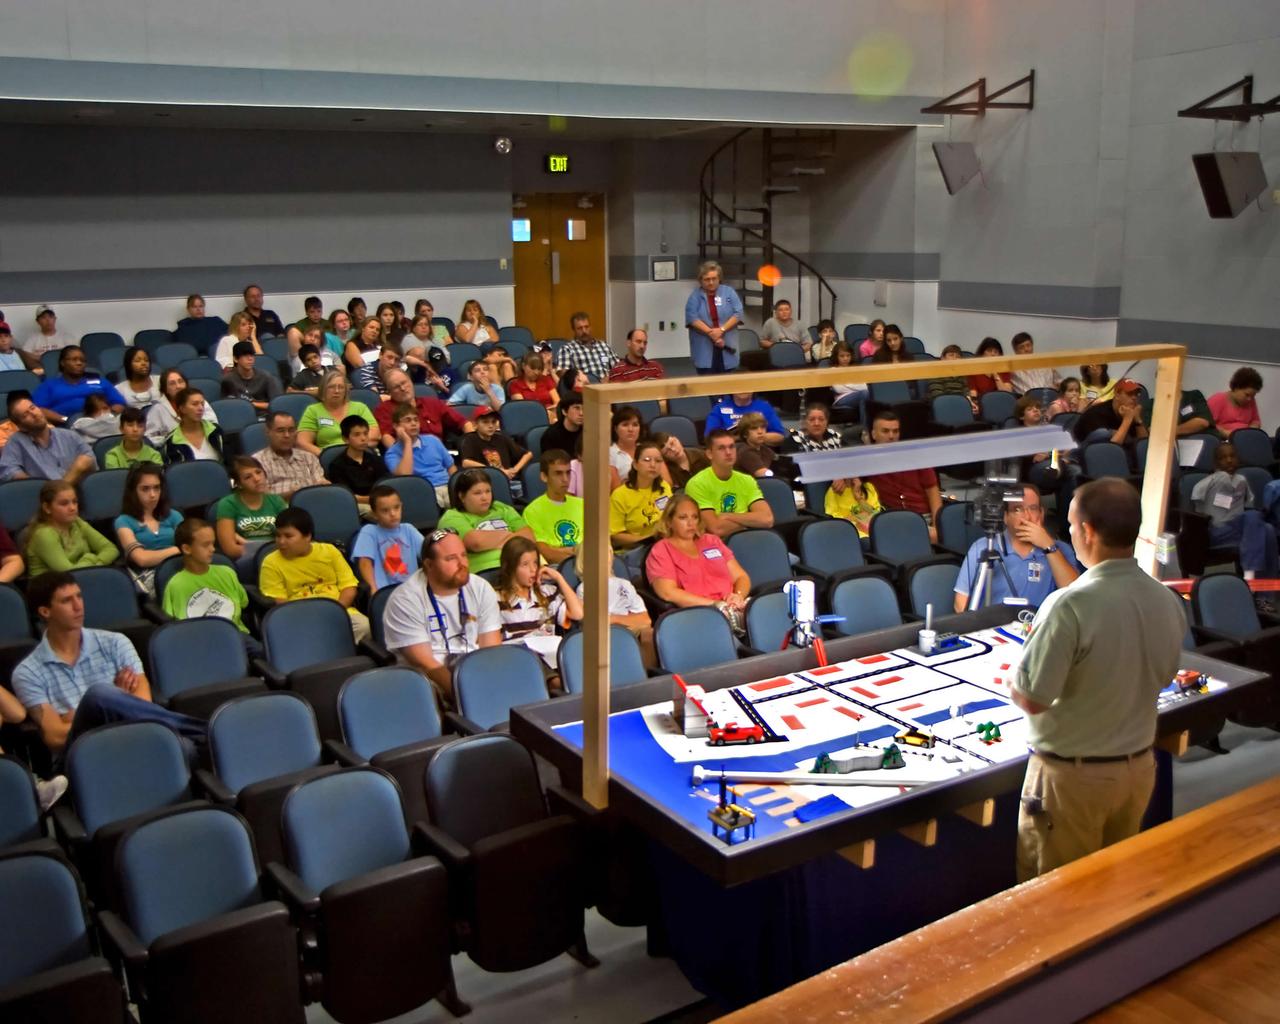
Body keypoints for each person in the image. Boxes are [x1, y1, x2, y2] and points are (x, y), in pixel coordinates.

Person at [1011, 479, 1185, 881]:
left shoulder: (1069, 604)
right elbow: (1162, 677)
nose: (1070, 533)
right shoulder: (1166, 599)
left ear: (1087, 531)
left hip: (1073, 782)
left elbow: (1031, 697)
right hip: (1138, 770)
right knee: (1114, 886)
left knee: (1057, 899)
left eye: (1071, 526)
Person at [12, 572, 207, 769]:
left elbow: (143, 706)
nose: (78, 606)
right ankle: (207, 731)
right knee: (99, 693)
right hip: (79, 757)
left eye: (79, 596)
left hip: (131, 737)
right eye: (66, 601)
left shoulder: (115, 643)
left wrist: (71, 715)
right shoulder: (27, 672)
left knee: (186, 748)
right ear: (45, 611)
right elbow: (55, 738)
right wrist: (111, 700)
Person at [381, 527, 503, 703]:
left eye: (463, 555)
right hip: (428, 680)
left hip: (474, 671)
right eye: (451, 558)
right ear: (429, 565)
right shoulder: (405, 599)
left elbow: (490, 651)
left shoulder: (481, 588)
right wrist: (466, 696)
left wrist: (486, 685)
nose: (462, 564)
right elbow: (425, 664)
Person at [953, 484, 1080, 612]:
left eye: (1033, 508)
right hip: (993, 627)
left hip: (1038, 627)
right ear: (1005, 516)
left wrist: (1048, 547)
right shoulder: (983, 547)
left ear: (1041, 514)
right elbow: (960, 604)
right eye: (1018, 509)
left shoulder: (1061, 549)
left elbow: (1073, 595)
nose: (1027, 516)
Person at [259, 507, 371, 642]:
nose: (281, 541)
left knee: (365, 626)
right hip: (298, 618)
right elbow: (281, 603)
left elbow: (349, 588)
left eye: (288, 536)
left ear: (307, 536)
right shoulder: (270, 562)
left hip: (337, 611)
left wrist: (335, 612)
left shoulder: (329, 552)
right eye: (278, 535)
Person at [645, 493, 751, 633]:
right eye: (683, 518)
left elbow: (741, 577)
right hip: (694, 615)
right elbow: (667, 592)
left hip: (731, 607)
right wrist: (714, 605)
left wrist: (738, 595)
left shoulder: (711, 541)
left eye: (694, 517)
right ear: (669, 522)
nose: (690, 523)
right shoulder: (661, 550)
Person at [163, 518, 259, 655]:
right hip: (199, 641)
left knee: (265, 655)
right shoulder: (175, 585)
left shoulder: (227, 572)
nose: (213, 549)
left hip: (236, 635)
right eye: (205, 545)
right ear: (186, 548)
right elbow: (175, 625)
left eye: (213, 544)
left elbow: (243, 602)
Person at [494, 535, 583, 677]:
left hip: (552, 659)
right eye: (525, 565)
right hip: (519, 663)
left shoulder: (547, 593)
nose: (533, 570)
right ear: (510, 567)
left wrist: (559, 578)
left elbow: (578, 613)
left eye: (535, 563)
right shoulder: (496, 600)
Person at [1191, 443, 1278, 579]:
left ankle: (1265, 595)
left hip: (1238, 528)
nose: (1229, 460)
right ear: (1216, 462)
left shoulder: (1241, 480)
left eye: (1232, 456)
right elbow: (1196, 509)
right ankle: (1249, 575)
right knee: (1258, 521)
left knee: (1268, 530)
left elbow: (1249, 504)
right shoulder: (1204, 484)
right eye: (1223, 458)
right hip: (1216, 530)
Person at [439, 468, 533, 575]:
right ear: (462, 496)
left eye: (488, 491)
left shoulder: (502, 508)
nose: (485, 497)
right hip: (487, 570)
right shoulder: (452, 517)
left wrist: (492, 540)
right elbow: (476, 543)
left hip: (521, 565)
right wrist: (512, 536)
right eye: (477, 493)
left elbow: (529, 537)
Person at [685, 430, 775, 538]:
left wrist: (728, 516)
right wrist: (750, 522)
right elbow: (716, 529)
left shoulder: (747, 480)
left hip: (750, 539)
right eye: (721, 448)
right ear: (709, 454)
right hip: (717, 546)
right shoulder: (697, 484)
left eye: (732, 447)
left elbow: (767, 519)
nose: (728, 452)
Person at [862, 410, 943, 527]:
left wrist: (937, 527)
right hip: (892, 520)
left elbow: (933, 492)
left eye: (895, 431)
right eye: (885, 431)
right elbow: (844, 467)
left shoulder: (916, 455)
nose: (891, 436)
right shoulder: (866, 460)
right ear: (874, 434)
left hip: (923, 517)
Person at [25, 480, 120, 577]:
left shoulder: (77, 522)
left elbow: (111, 549)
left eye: (75, 502)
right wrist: (89, 558)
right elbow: (70, 574)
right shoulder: (44, 534)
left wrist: (96, 565)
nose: (72, 508)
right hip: (52, 589)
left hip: (82, 581)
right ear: (47, 508)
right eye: (64, 504)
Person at [115, 464, 183, 594]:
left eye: (156, 488)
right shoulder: (124, 521)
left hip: (179, 570)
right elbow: (141, 559)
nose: (152, 495)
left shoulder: (174, 515)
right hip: (149, 579)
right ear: (133, 491)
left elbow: (191, 546)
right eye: (145, 489)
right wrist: (178, 549)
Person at [215, 456, 287, 576]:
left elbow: (290, 536)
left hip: (280, 557)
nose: (257, 479)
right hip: (247, 563)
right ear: (239, 483)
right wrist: (264, 552)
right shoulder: (228, 504)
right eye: (248, 477)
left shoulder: (276, 501)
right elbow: (230, 549)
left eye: (258, 472)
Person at [0, 395, 96, 483]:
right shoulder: (16, 442)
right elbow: (8, 471)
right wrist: (32, 486)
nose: (33, 414)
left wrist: (64, 485)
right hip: (41, 495)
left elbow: (90, 458)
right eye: (26, 415)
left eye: (32, 408)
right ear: (21, 426)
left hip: (76, 491)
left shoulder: (69, 435)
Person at [352, 484, 425, 592]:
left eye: (396, 507)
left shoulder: (409, 529)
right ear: (374, 514)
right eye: (385, 510)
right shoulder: (369, 531)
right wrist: (373, 588)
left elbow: (428, 553)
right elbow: (364, 562)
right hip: (384, 591)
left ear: (401, 506)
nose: (393, 514)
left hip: (412, 590)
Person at [374, 369, 471, 449]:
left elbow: (464, 423)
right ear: (389, 391)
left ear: (411, 381)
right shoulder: (384, 409)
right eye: (396, 387)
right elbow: (387, 438)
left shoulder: (432, 403)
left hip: (439, 456)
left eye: (404, 383)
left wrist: (472, 448)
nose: (403, 388)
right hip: (408, 457)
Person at [610, 440, 672, 560]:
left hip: (664, 546)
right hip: (633, 552)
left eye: (658, 461)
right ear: (635, 464)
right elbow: (615, 537)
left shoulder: (664, 487)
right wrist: (647, 541)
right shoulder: (620, 495)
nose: (653, 465)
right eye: (647, 460)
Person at [32, 346, 127, 423]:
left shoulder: (99, 381)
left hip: (101, 423)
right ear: (63, 363)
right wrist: (65, 420)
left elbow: (119, 403)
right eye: (74, 360)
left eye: (82, 360)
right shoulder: (50, 385)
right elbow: (38, 409)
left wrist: (107, 415)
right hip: (66, 427)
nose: (79, 363)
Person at [385, 402, 456, 506]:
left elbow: (451, 467)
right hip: (423, 491)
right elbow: (405, 476)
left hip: (447, 486)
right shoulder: (392, 453)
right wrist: (407, 442)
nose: (414, 424)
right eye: (408, 420)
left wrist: (454, 486)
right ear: (396, 426)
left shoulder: (433, 440)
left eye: (416, 420)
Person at [522, 449, 585, 564]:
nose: (565, 479)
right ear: (544, 477)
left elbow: (598, 544)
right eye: (558, 473)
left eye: (568, 472)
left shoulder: (582, 504)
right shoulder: (533, 511)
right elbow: (546, 553)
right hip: (557, 567)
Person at [297, 369, 377, 454]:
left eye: (341, 387)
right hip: (328, 460)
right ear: (323, 389)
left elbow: (375, 435)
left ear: (346, 391)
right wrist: (325, 456)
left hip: (360, 454)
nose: (337, 391)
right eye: (332, 387)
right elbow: (302, 443)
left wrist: (351, 452)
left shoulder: (360, 408)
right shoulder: (313, 411)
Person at [685, 261, 743, 375]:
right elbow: (692, 317)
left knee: (729, 384)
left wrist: (721, 330)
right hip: (704, 347)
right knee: (708, 383)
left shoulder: (729, 292)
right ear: (700, 280)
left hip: (727, 346)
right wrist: (711, 333)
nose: (711, 282)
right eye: (707, 279)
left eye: (714, 278)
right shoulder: (695, 296)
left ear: (719, 278)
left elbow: (738, 313)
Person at [460, 407, 532, 498]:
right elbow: (466, 463)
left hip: (509, 481)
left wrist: (515, 470)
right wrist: (497, 471)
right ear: (475, 425)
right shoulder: (470, 440)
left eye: (493, 422)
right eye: (485, 422)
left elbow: (528, 454)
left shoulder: (501, 438)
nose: (490, 426)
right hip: (485, 483)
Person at [251, 411, 325, 498]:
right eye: (280, 431)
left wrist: (324, 485)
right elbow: (262, 499)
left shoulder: (309, 458)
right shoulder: (257, 462)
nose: (287, 435)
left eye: (291, 430)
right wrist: (293, 494)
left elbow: (321, 484)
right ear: (268, 432)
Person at [145, 369, 219, 446]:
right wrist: (171, 440)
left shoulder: (199, 401)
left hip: (203, 443)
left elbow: (213, 424)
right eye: (172, 384)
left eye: (181, 381)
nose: (178, 386)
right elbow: (150, 438)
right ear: (165, 389)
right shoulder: (158, 409)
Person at [1072, 378, 1148, 449]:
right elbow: (1110, 449)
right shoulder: (1096, 414)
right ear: (1117, 394)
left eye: (1137, 394)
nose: (1134, 398)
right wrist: (1127, 420)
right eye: (1130, 393)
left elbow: (1144, 446)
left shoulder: (1131, 412)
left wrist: (1138, 421)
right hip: (1083, 454)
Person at [325, 415, 383, 507]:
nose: (363, 438)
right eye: (357, 434)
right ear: (345, 439)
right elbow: (344, 494)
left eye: (365, 433)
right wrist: (373, 499)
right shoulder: (337, 466)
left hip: (379, 502)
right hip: (354, 504)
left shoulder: (375, 459)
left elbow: (385, 484)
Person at [163, 387, 225, 464]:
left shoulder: (216, 431)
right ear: (182, 408)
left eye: (202, 404)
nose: (201, 408)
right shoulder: (172, 441)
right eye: (195, 404)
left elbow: (229, 462)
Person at [551, 311, 613, 382]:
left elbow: (618, 367)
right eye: (580, 328)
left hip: (608, 386)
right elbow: (564, 376)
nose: (584, 331)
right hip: (584, 388)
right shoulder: (567, 349)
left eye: (586, 327)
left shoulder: (604, 346)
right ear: (574, 330)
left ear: (590, 327)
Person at [220, 340, 281, 411]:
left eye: (252, 355)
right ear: (236, 359)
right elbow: (226, 405)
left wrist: (251, 404)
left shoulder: (266, 377)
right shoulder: (227, 380)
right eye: (245, 355)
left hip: (264, 416)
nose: (250, 358)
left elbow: (276, 404)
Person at [703, 393, 785, 445]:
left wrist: (757, 437)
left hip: (759, 450)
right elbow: (710, 438)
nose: (743, 389)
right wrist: (744, 437)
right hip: (730, 450)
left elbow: (779, 436)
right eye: (738, 385)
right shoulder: (719, 408)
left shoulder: (764, 407)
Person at [19, 305, 76, 371]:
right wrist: (42, 359)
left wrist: (43, 359)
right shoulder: (32, 339)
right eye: (43, 317)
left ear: (55, 319)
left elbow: (74, 356)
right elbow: (24, 354)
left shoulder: (67, 337)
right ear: (38, 321)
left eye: (50, 317)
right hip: (41, 372)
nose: (48, 320)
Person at [1142, 388, 1216, 438]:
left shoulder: (1194, 396)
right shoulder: (1151, 405)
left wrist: (1168, 432)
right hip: (1169, 446)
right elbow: (1154, 431)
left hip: (1202, 439)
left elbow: (1202, 422)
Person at [1207, 367, 1263, 434]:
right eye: (1247, 395)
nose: (1249, 399)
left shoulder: (1251, 400)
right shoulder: (1217, 399)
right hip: (1224, 440)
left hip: (1245, 438)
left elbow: (1255, 420)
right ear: (1236, 388)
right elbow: (1207, 424)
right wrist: (1226, 433)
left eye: (1253, 396)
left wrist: (1252, 430)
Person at [927, 345, 979, 410]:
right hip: (943, 407)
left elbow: (966, 393)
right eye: (951, 355)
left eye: (957, 356)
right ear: (943, 358)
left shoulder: (962, 375)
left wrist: (971, 404)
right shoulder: (935, 373)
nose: (954, 358)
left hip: (961, 406)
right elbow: (938, 396)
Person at [606, 405, 645, 490]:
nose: (631, 429)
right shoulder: (609, 454)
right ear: (616, 429)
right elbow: (616, 491)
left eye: (635, 425)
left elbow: (667, 482)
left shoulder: (647, 449)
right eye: (625, 425)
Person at [829, 342, 868, 417]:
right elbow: (839, 389)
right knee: (864, 394)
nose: (845, 358)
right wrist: (854, 384)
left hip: (859, 395)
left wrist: (846, 384)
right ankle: (866, 427)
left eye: (848, 355)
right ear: (836, 357)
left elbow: (864, 387)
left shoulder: (856, 369)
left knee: (866, 395)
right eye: (842, 356)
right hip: (841, 399)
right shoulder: (832, 370)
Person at [344, 316, 385, 389]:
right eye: (371, 327)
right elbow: (359, 364)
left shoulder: (380, 347)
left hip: (379, 376)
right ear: (363, 328)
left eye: (377, 330)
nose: (374, 331)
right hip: (360, 376)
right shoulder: (352, 344)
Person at [734, 413, 778, 478]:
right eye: (754, 428)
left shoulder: (766, 450)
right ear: (745, 434)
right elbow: (763, 474)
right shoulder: (744, 451)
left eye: (762, 427)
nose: (760, 432)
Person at [541, 392, 584, 457]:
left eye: (584, 408)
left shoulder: (588, 431)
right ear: (564, 411)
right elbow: (551, 463)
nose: (581, 413)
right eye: (576, 408)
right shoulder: (551, 435)